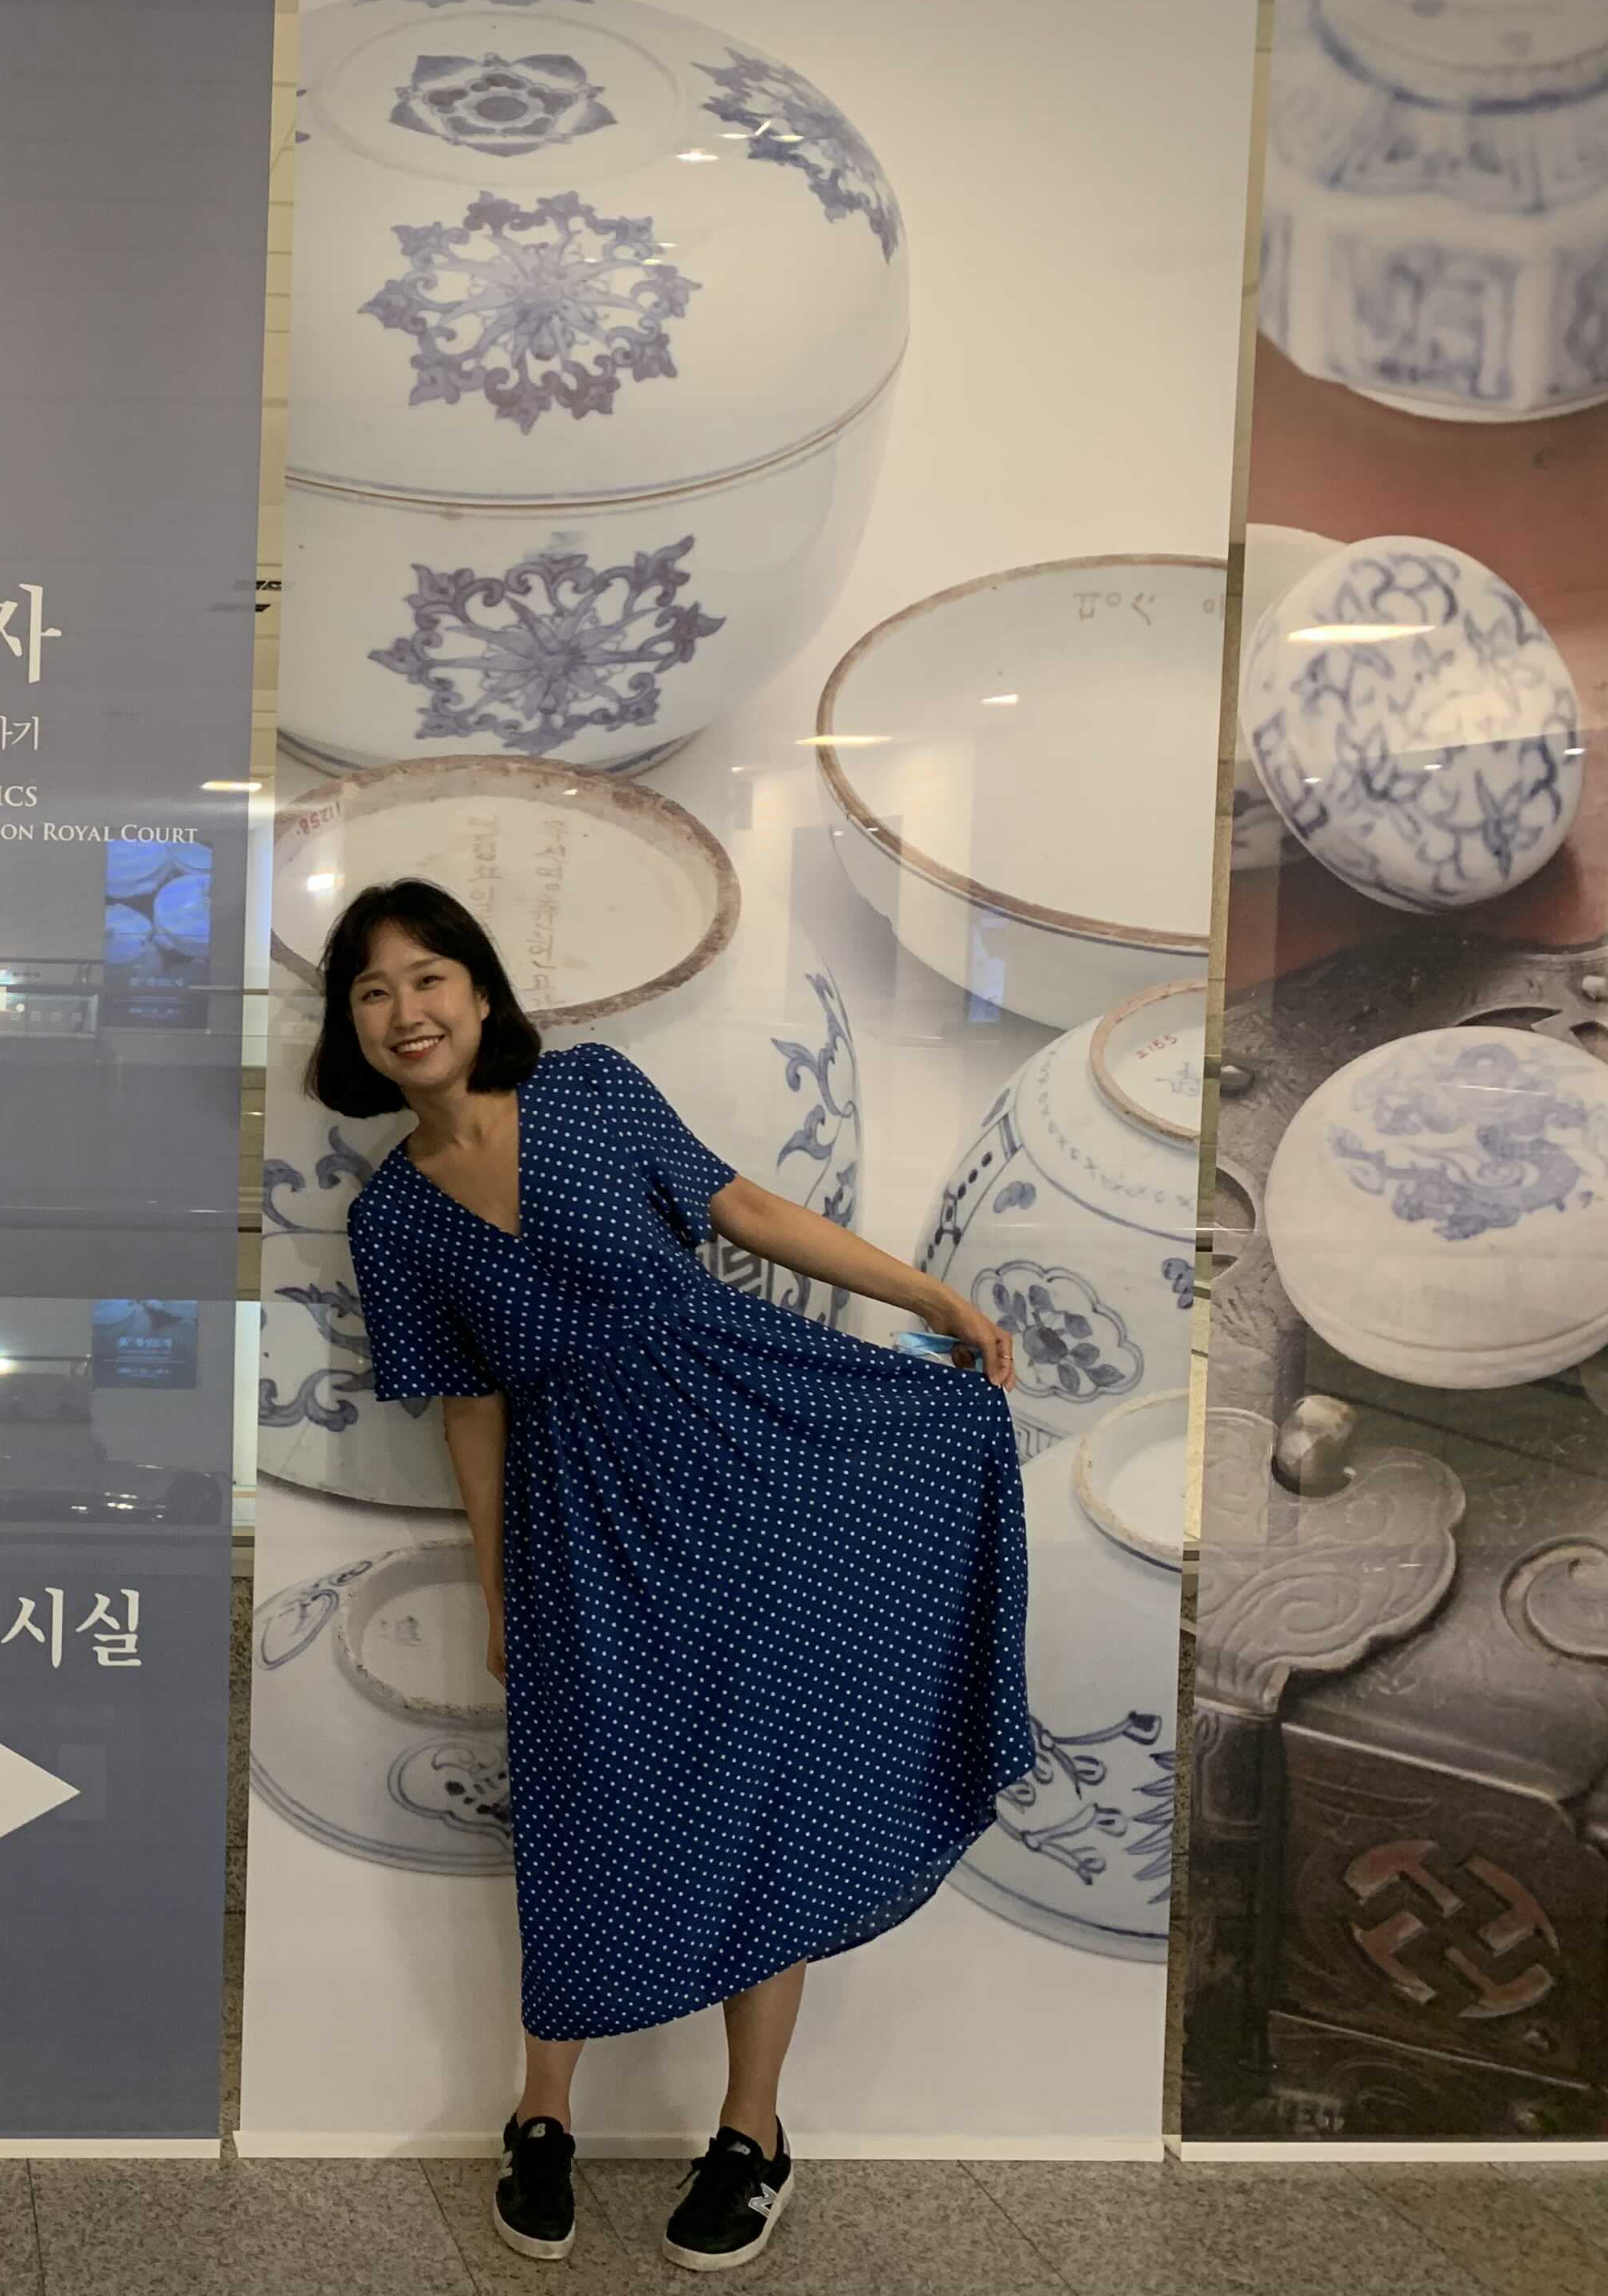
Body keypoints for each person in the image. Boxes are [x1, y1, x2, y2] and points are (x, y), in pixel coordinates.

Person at [314, 878, 1031, 2273]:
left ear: (479, 992)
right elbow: (471, 1410)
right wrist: (500, 1588)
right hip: (584, 1518)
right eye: (373, 991)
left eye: (428, 977)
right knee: (591, 1794)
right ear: (353, 1027)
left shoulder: (589, 1091)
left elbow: (744, 1207)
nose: (407, 1010)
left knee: (770, 1786)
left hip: (752, 1449)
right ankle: (540, 2116)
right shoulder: (392, 1217)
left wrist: (930, 1296)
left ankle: (751, 2135)